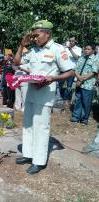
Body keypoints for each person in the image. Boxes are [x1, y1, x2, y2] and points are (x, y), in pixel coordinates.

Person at [14, 20, 74, 174]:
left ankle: (39, 161)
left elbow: (70, 72)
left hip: (45, 95)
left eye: (36, 35)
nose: (34, 38)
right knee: (28, 125)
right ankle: (28, 154)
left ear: (47, 33)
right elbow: (17, 62)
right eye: (33, 35)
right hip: (32, 92)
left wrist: (52, 78)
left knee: (41, 127)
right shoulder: (34, 50)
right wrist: (22, 46)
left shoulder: (57, 49)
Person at [70, 44, 98, 125]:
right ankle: (75, 117)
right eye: (85, 49)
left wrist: (81, 79)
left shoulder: (96, 59)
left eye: (89, 49)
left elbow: (93, 72)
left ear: (93, 50)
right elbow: (75, 69)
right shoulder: (82, 58)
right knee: (78, 100)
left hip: (88, 84)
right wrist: (78, 78)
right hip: (79, 83)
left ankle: (84, 118)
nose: (86, 51)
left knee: (86, 102)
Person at [59, 36, 82, 102]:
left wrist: (70, 49)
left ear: (75, 41)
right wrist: (62, 47)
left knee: (69, 86)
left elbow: (77, 58)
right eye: (70, 41)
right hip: (62, 70)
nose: (71, 42)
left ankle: (66, 99)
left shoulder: (78, 49)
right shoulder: (64, 48)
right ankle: (59, 98)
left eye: (72, 41)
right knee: (59, 85)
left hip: (72, 70)